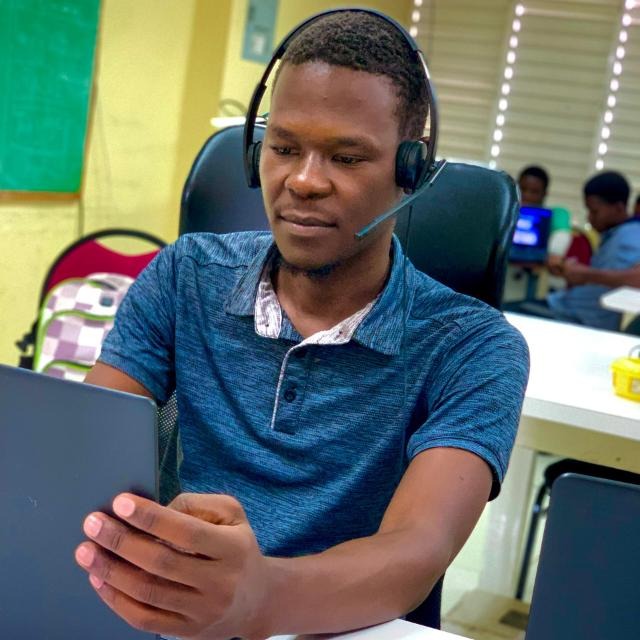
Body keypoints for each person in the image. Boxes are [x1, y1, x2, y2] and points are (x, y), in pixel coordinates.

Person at [74, 11, 529, 639]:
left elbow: (417, 550)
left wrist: (258, 597)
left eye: (346, 157)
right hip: (172, 610)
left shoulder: (475, 348)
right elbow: (83, 453)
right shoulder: (186, 275)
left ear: (410, 172)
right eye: (284, 148)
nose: (304, 181)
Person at [507, 171, 640, 331]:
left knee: (500, 316)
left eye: (594, 212)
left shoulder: (631, 234)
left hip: (575, 319)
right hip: (567, 308)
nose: (589, 218)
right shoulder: (614, 234)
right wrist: (576, 273)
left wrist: (585, 275)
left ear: (618, 208)